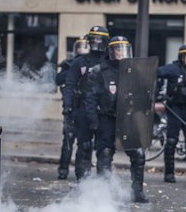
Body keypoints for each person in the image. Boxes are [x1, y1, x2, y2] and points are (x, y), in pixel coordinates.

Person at [83, 36, 149, 203]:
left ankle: (137, 191)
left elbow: (143, 93)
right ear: (111, 51)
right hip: (107, 119)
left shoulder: (133, 71)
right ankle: (103, 193)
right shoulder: (100, 71)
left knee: (138, 154)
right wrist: (93, 120)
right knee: (105, 154)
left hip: (127, 119)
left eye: (124, 49)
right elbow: (90, 97)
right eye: (118, 49)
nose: (121, 53)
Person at [61, 25, 110, 181]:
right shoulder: (80, 62)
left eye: (99, 39)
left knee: (105, 149)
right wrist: (67, 106)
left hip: (103, 110)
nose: (96, 42)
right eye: (94, 39)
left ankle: (103, 184)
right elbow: (69, 84)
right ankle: (84, 182)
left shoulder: (109, 62)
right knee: (84, 146)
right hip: (82, 108)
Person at [157, 44, 186, 183]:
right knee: (171, 141)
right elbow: (156, 72)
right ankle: (169, 173)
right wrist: (158, 92)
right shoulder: (173, 69)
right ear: (182, 57)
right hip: (175, 109)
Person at [55, 35, 90, 180]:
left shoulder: (89, 63)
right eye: (79, 46)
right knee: (68, 140)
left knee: (84, 143)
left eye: (84, 46)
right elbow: (59, 80)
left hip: (84, 107)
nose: (81, 49)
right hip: (71, 108)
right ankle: (63, 169)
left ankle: (81, 172)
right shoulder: (69, 63)